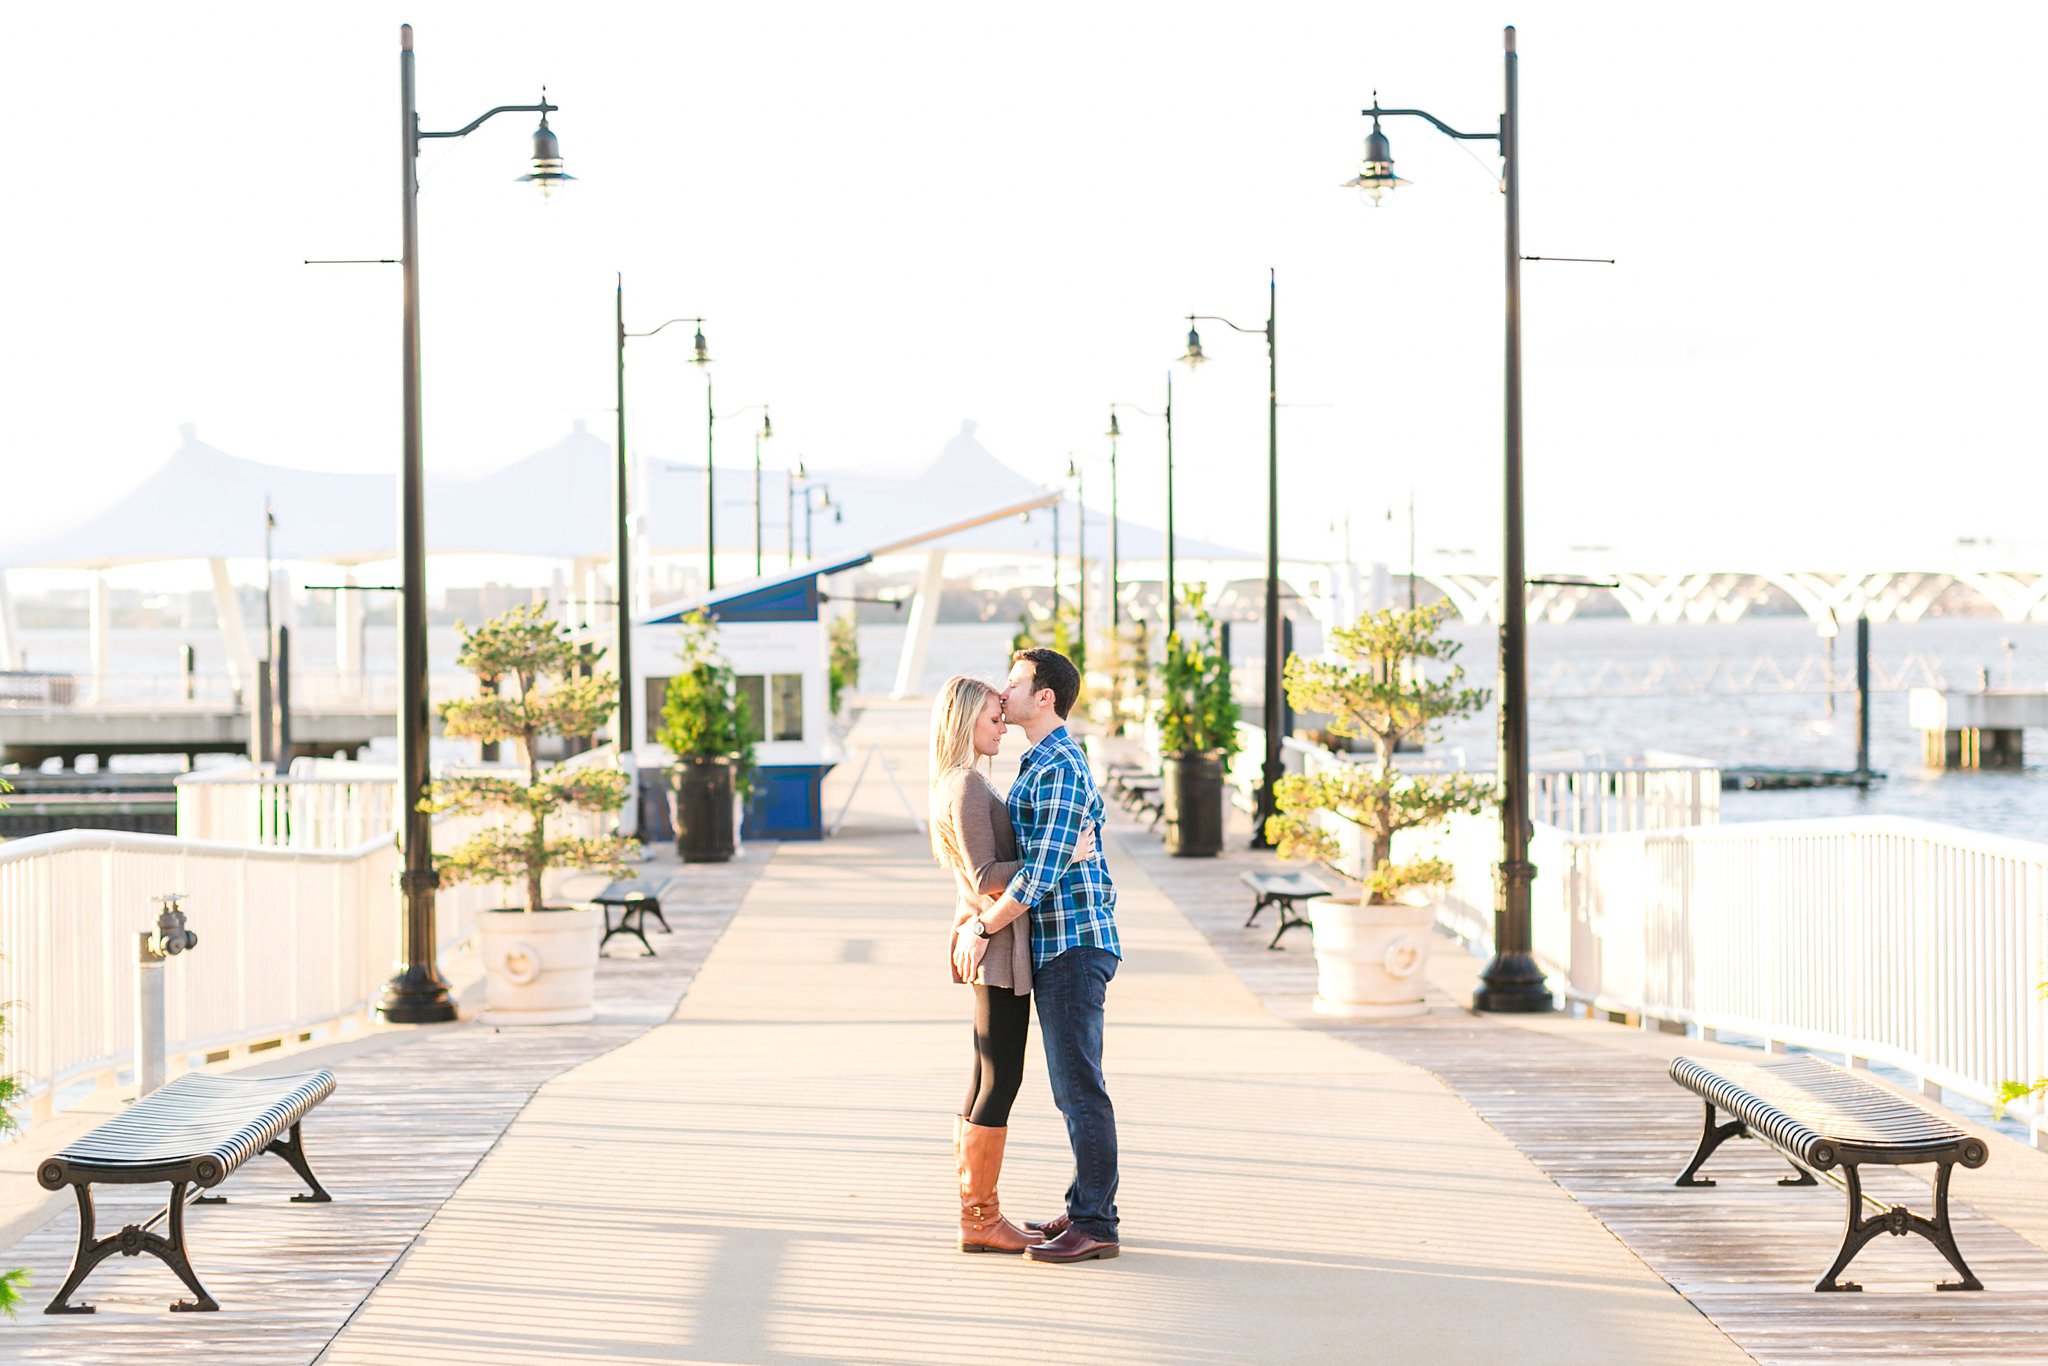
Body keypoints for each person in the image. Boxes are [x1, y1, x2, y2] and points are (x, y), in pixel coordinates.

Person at [955, 647, 1122, 1264]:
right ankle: (1086, 1206)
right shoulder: (1036, 763)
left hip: (1073, 940)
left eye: (1016, 682)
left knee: (1079, 1086)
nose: (1005, 692)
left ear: (1043, 695)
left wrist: (982, 927)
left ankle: (1096, 1222)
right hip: (1054, 940)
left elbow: (1045, 869)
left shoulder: (1057, 765)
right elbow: (1042, 856)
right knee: (1072, 1084)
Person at [928, 675, 1093, 1254]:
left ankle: (980, 1215)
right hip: (997, 949)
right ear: (966, 721)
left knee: (988, 1077)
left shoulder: (963, 783)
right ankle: (979, 1217)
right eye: (993, 719)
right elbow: (981, 875)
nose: (1001, 727)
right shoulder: (967, 786)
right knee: (1000, 1078)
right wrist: (1059, 851)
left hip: (996, 944)